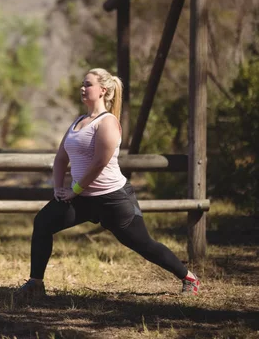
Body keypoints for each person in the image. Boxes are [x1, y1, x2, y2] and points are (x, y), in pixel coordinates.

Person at [16, 68, 200, 299]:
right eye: (82, 84)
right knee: (43, 222)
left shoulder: (108, 122)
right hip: (81, 198)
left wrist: (74, 190)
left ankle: (188, 277)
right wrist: (57, 189)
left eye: (88, 84)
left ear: (103, 90)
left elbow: (99, 163)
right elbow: (61, 158)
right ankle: (35, 283)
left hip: (113, 199)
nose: (83, 88)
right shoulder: (79, 122)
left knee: (143, 244)